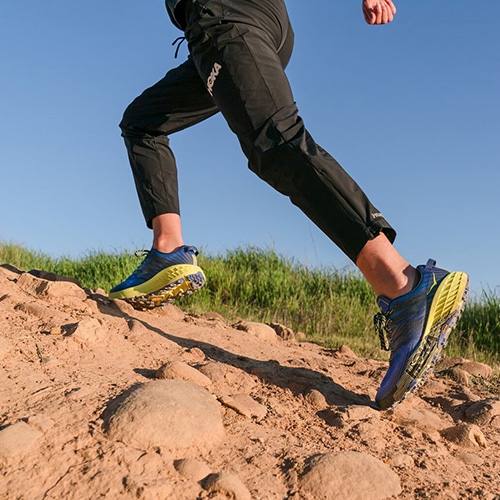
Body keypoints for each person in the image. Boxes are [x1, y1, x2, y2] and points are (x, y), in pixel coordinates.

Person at [109, 0, 469, 410]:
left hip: (224, 15)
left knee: (276, 142)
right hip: (241, 24)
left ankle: (404, 286)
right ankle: (166, 251)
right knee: (143, 121)